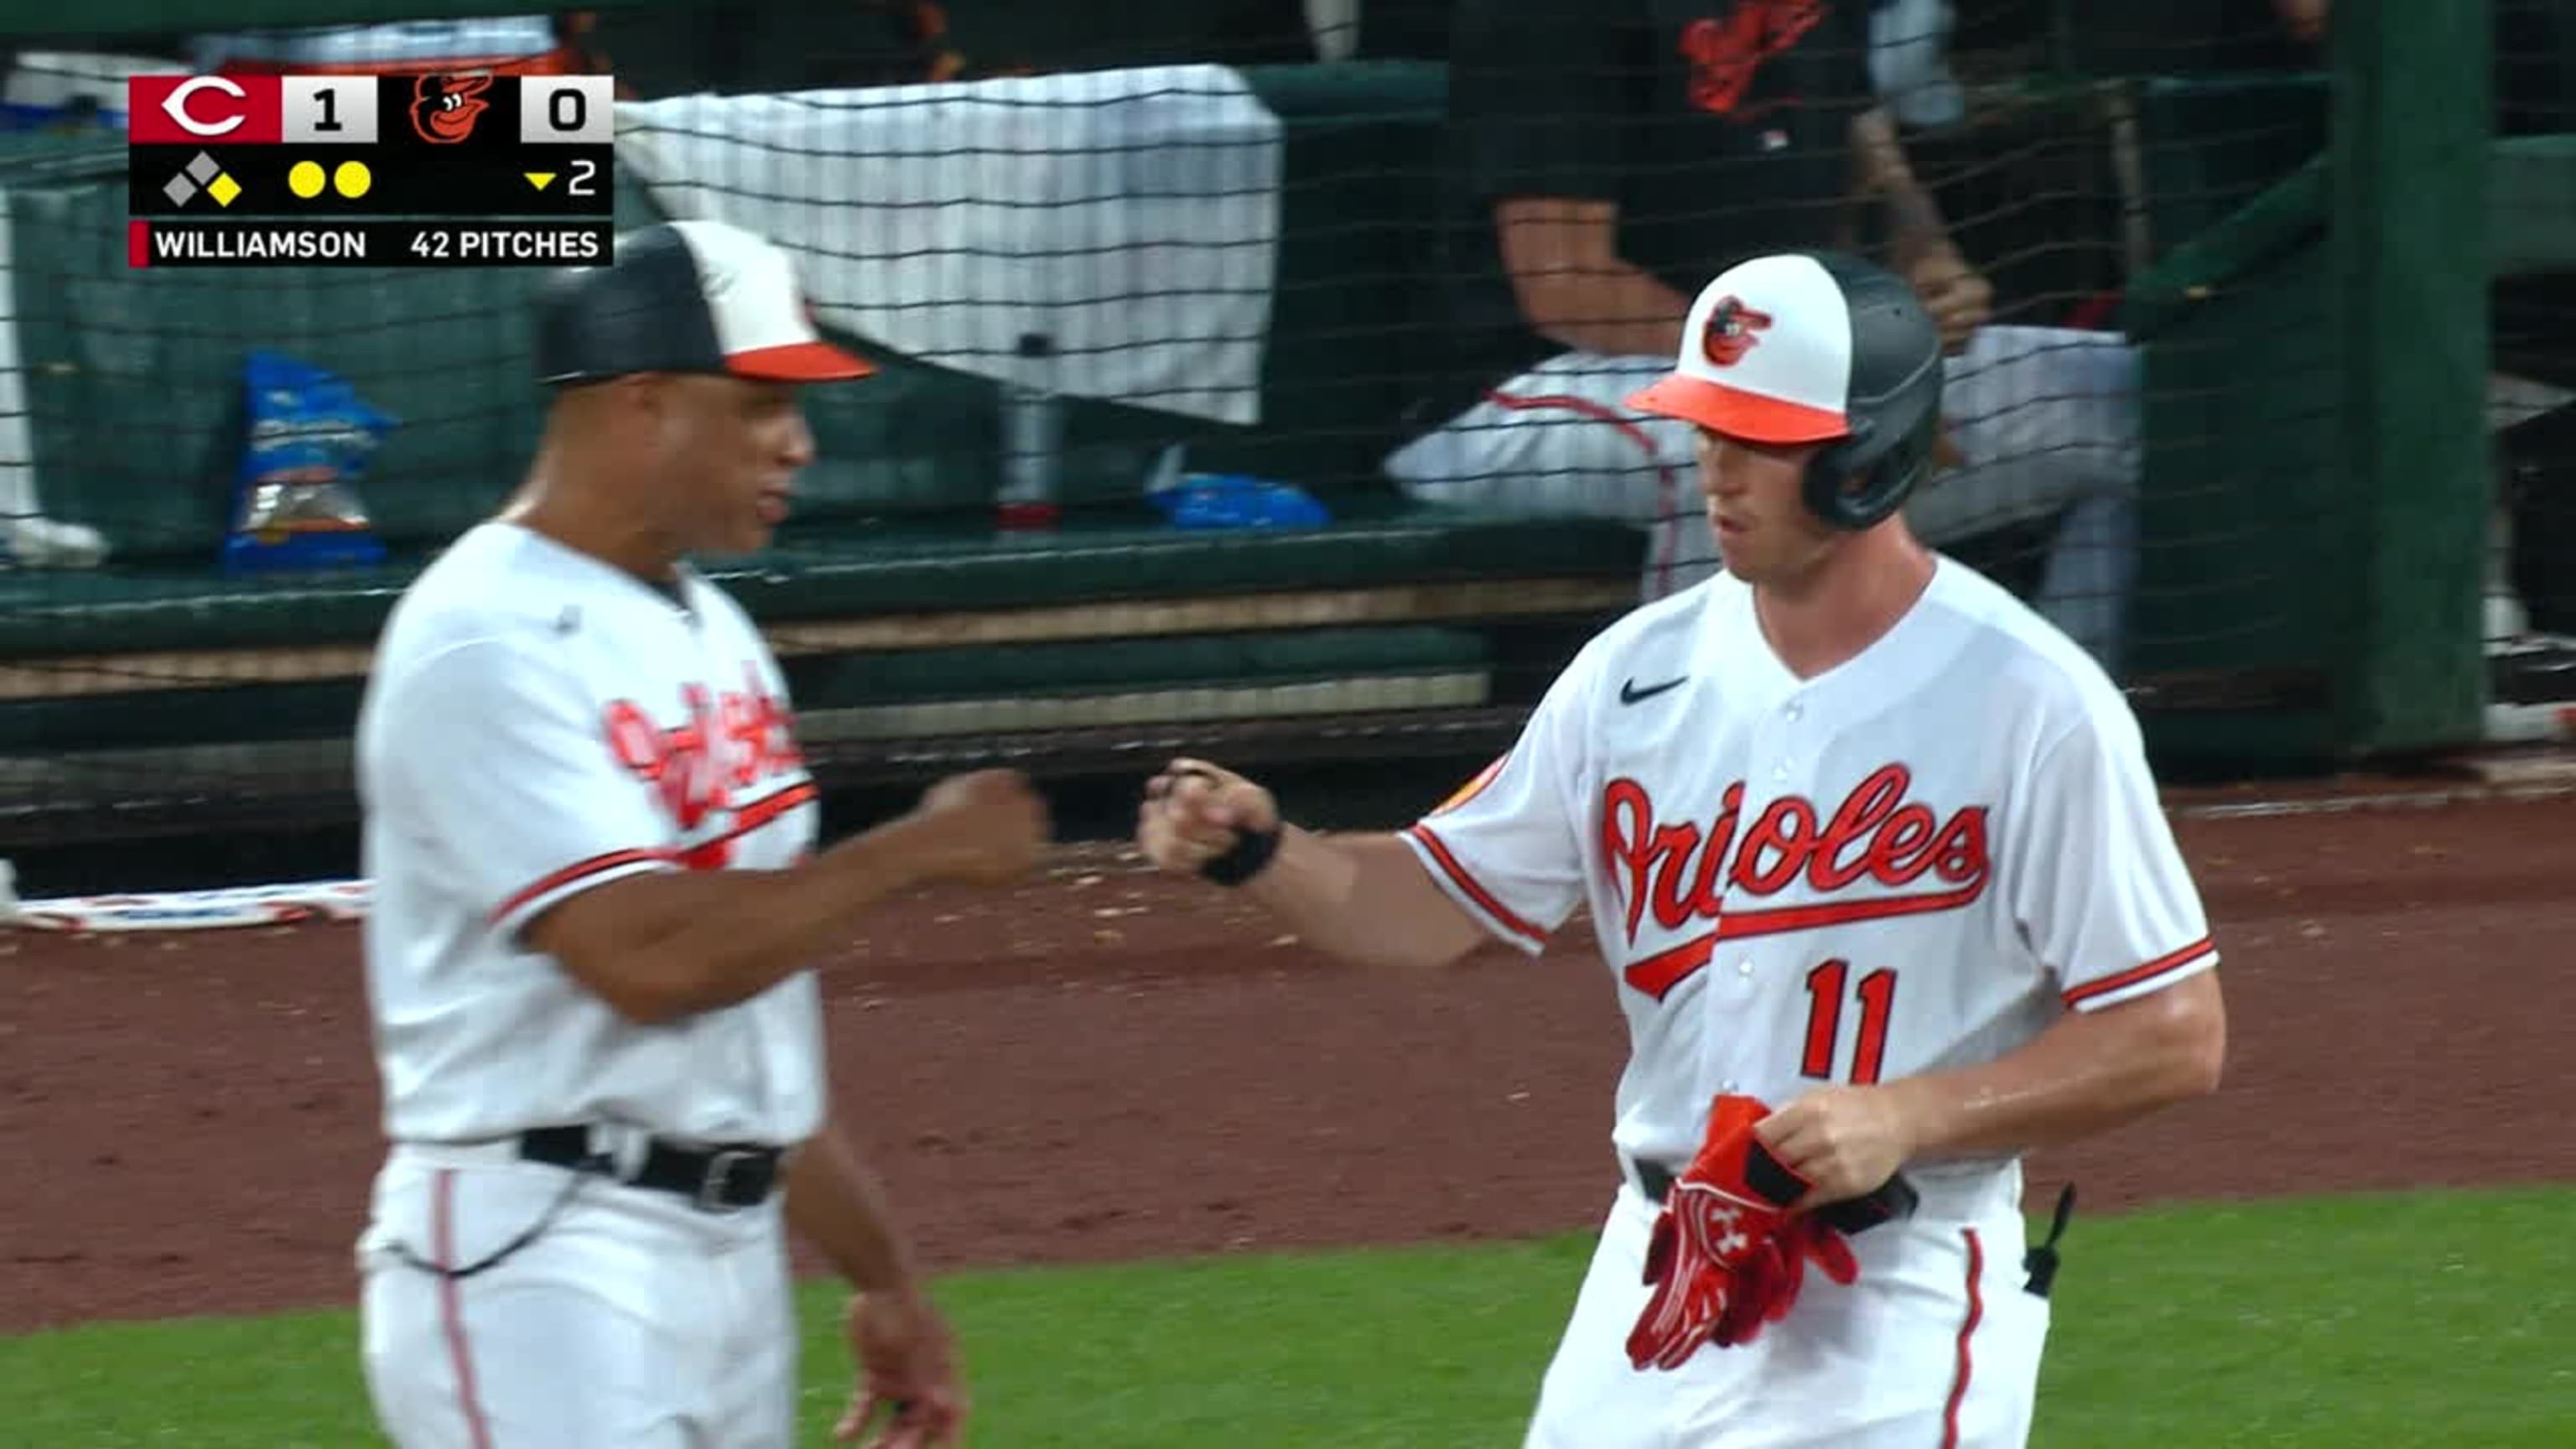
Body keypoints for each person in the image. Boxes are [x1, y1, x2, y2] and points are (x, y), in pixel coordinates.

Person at [1138, 250, 2227, 1446]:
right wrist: (1262, 851)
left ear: (1867, 456)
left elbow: (2172, 1034)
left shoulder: (2031, 700)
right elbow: (1434, 904)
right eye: (1706, 427)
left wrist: (1907, 1115)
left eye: (1757, 436)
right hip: (1655, 1273)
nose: (1714, 466)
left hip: (1896, 1298)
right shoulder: (1636, 673)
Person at [351, 219, 1050, 1449]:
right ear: (643, 405)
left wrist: (881, 1278)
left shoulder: (714, 631)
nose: (799, 443)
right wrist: (915, 852)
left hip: (725, 1258)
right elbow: (651, 960)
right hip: (539, 1256)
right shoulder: (482, 638)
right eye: (761, 404)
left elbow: (747, 1022)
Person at [1389, 0, 2144, 672]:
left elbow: (1858, 137)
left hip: (1803, 370)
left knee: (2134, 402)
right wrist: (1826, 378)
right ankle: (1697, 785)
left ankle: (2047, 745)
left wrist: (1923, 255)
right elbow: (1565, 285)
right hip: (1524, 395)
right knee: (1737, 449)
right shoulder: (1551, 15)